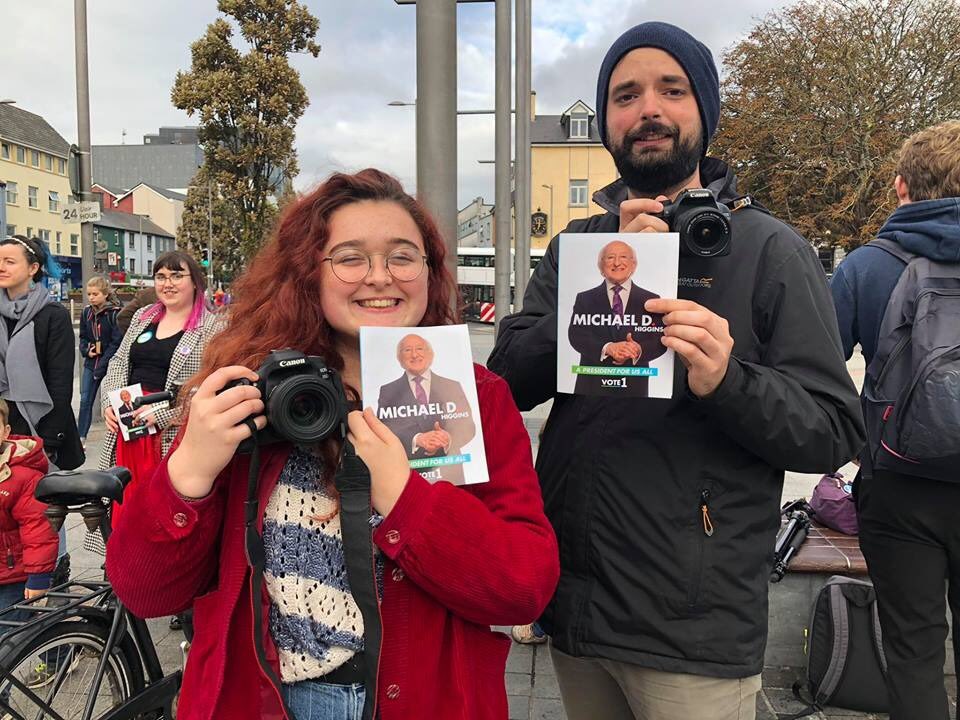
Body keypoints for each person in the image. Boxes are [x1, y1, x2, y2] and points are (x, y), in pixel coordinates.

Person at [487, 22, 865, 720]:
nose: (648, 109)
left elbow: (833, 430)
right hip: (575, 609)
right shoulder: (582, 245)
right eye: (626, 95)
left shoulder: (770, 250)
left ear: (705, 113)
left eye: (672, 89)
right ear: (607, 121)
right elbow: (507, 377)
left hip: (693, 629)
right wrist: (590, 297)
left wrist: (729, 381)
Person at [105, 169, 559, 720]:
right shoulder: (249, 390)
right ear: (307, 274)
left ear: (429, 271)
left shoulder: (479, 398)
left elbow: (524, 587)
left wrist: (404, 495)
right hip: (265, 699)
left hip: (423, 698)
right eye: (349, 258)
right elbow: (146, 593)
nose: (379, 277)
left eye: (402, 256)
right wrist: (188, 475)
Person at [829, 120, 960, 720]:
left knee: (913, 648)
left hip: (899, 487)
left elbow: (817, 369)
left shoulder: (866, 267)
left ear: (903, 187)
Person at [0, 236, 84, 471]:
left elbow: (60, 381)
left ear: (33, 268)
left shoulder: (52, 315)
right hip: (2, 424)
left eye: (9, 261)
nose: (1, 267)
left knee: (33, 505)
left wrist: (49, 440)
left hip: (37, 429)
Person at [568, 240, 666, 396]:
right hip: (591, 386)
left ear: (633, 265)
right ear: (601, 266)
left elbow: (659, 340)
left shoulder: (651, 299)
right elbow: (576, 335)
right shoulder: (584, 298)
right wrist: (608, 348)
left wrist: (637, 349)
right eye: (610, 257)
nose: (617, 262)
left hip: (634, 386)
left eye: (623, 257)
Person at [376, 333, 476, 484]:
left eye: (420, 349)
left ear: (430, 355)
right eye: (407, 350)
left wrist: (447, 438)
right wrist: (417, 439)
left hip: (450, 473)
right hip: (407, 474)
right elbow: (385, 428)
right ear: (399, 358)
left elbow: (468, 427)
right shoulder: (388, 390)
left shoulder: (452, 386)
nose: (415, 355)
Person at [78, 275, 123, 445]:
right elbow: (82, 337)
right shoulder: (86, 312)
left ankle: (119, 435)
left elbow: (116, 342)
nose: (91, 297)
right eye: (89, 294)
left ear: (105, 294)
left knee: (114, 401)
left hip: (110, 365)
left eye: (95, 294)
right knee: (85, 400)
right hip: (92, 363)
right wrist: (85, 350)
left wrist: (103, 365)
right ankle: (81, 437)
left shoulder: (114, 314)